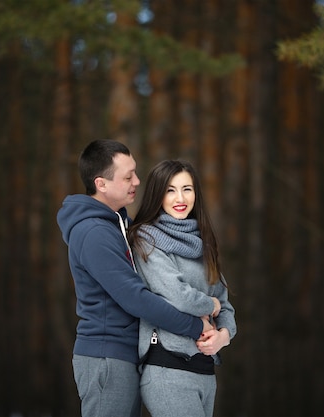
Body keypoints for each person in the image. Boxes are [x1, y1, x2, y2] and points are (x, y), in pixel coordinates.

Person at [56, 141, 215, 417]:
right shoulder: (94, 233)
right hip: (106, 355)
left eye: (135, 173)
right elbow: (136, 298)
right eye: (128, 177)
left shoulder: (119, 224)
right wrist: (193, 326)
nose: (137, 182)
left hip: (126, 354)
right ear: (101, 184)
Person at [127, 159, 237, 417]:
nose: (180, 197)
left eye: (187, 189)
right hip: (168, 369)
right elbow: (178, 295)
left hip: (205, 372)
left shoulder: (203, 243)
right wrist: (212, 305)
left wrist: (223, 336)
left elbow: (226, 304)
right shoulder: (146, 238)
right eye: (170, 189)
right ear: (157, 195)